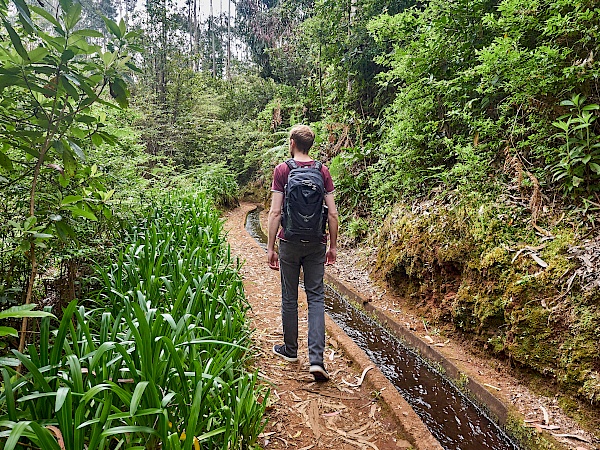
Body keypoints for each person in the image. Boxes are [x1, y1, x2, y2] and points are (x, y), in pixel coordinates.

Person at [267, 124, 339, 382]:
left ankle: (290, 350)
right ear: (310, 145)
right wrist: (332, 245)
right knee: (316, 298)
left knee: (289, 296)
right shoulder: (323, 171)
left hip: (289, 240)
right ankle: (317, 360)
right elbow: (331, 213)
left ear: (292, 143)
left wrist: (270, 247)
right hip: (316, 242)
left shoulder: (283, 170)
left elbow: (275, 212)